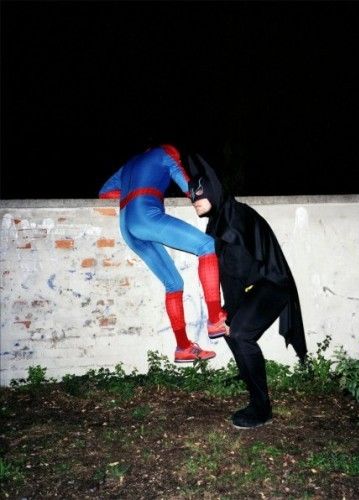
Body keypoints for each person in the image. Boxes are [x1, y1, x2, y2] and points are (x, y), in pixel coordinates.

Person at [187, 154, 308, 429]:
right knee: (229, 332)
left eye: (200, 193)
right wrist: (225, 315)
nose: (194, 200)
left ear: (214, 191)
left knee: (239, 332)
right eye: (191, 196)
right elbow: (232, 276)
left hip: (273, 285)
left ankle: (262, 408)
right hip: (257, 285)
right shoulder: (220, 218)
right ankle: (254, 392)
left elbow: (238, 272)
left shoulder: (233, 220)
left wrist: (229, 316)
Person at [98, 144, 227, 363]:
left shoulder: (130, 164)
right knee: (206, 245)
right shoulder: (165, 153)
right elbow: (189, 188)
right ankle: (215, 319)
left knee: (174, 283)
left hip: (127, 226)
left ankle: (183, 347)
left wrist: (136, 189)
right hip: (146, 216)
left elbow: (105, 193)